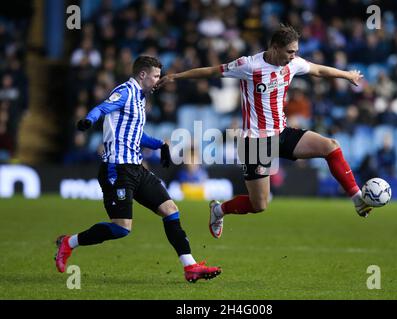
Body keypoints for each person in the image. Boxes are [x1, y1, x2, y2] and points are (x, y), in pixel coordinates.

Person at [156, 25, 372, 239]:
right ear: (275, 47)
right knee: (259, 204)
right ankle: (218, 210)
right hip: (255, 143)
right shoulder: (249, 65)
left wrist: (347, 75)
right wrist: (177, 77)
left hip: (282, 133)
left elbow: (318, 70)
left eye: (295, 51)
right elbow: (212, 71)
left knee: (330, 146)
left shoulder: (293, 64)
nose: (293, 56)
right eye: (290, 52)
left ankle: (356, 197)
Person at [55, 56, 221, 283]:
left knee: (170, 209)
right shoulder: (124, 92)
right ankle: (68, 243)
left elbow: (137, 134)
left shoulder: (141, 99)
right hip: (117, 168)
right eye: (155, 76)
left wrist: (160, 145)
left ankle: (190, 266)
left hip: (136, 167)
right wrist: (88, 120)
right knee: (122, 228)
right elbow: (103, 107)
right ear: (142, 75)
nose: (158, 81)